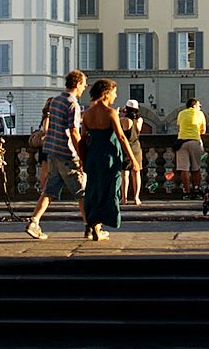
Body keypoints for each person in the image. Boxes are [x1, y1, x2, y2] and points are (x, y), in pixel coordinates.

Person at [26, 70, 87, 240]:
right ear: (77, 84)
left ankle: (34, 222)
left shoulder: (56, 101)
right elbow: (74, 132)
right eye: (83, 84)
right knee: (82, 191)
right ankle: (90, 227)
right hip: (67, 153)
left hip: (52, 151)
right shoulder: (73, 104)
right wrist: (82, 154)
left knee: (49, 191)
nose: (84, 88)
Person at [80, 78, 136, 241]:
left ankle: (95, 227)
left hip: (93, 156)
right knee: (111, 189)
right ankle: (103, 222)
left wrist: (83, 160)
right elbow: (121, 137)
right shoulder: (111, 113)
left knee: (94, 190)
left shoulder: (87, 114)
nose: (115, 96)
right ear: (106, 93)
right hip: (110, 156)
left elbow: (83, 139)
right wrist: (133, 159)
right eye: (114, 92)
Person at [173, 96, 209, 196]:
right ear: (194, 105)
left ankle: (187, 191)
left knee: (184, 169)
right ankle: (196, 190)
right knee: (196, 168)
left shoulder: (181, 113)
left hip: (182, 142)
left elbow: (179, 126)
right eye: (199, 105)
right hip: (194, 141)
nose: (200, 107)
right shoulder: (200, 114)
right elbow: (203, 130)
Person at [119, 99, 146, 206]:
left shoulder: (124, 120)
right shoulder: (140, 120)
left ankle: (124, 198)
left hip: (126, 147)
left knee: (125, 174)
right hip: (136, 147)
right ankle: (136, 198)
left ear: (126, 109)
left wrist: (121, 111)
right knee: (136, 173)